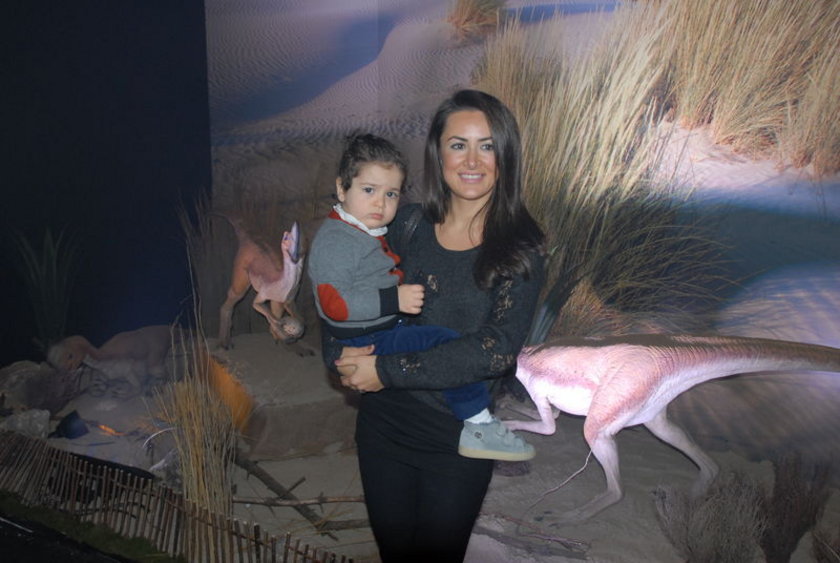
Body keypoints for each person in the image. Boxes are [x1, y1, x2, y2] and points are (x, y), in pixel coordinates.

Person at [322, 90, 546, 562]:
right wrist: (338, 356)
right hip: (383, 426)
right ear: (437, 152)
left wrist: (385, 370)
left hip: (460, 438)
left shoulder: (519, 248)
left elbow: (494, 350)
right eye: (458, 144)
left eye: (487, 146)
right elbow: (341, 286)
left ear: (505, 155)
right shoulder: (406, 224)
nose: (472, 161)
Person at [308, 133, 535, 461]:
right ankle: (479, 423)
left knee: (436, 340)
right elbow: (333, 304)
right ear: (342, 189)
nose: (380, 203)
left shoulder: (367, 227)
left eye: (391, 194)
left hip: (405, 377)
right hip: (374, 354)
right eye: (368, 190)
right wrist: (391, 303)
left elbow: (499, 348)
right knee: (438, 339)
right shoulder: (348, 237)